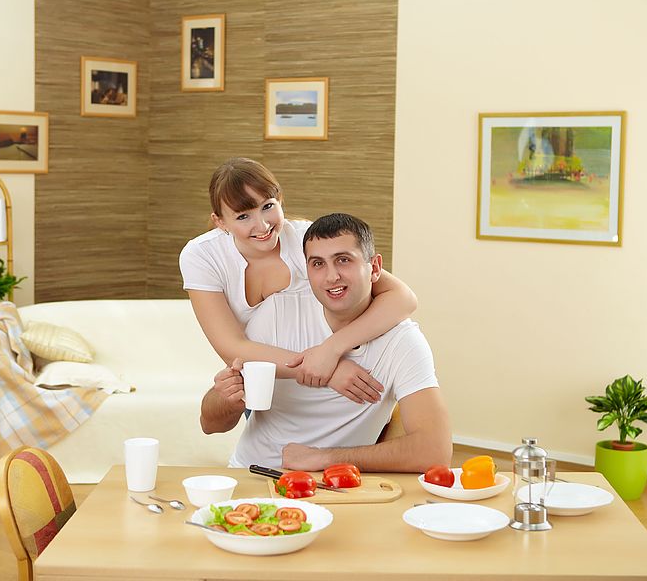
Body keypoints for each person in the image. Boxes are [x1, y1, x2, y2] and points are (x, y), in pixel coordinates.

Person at [199, 213, 452, 472]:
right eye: (318, 264)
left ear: (374, 268)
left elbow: (435, 451)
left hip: (335, 484)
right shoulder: (276, 315)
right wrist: (226, 398)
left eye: (343, 260)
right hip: (252, 472)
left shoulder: (402, 343)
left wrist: (325, 458)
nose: (332, 277)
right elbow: (210, 424)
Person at [180, 158, 418, 404]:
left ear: (280, 199)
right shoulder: (202, 256)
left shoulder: (305, 238)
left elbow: (403, 298)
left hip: (326, 370)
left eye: (267, 206)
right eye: (243, 217)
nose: (262, 225)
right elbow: (231, 347)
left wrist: (331, 351)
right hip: (262, 376)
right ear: (220, 221)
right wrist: (325, 370)